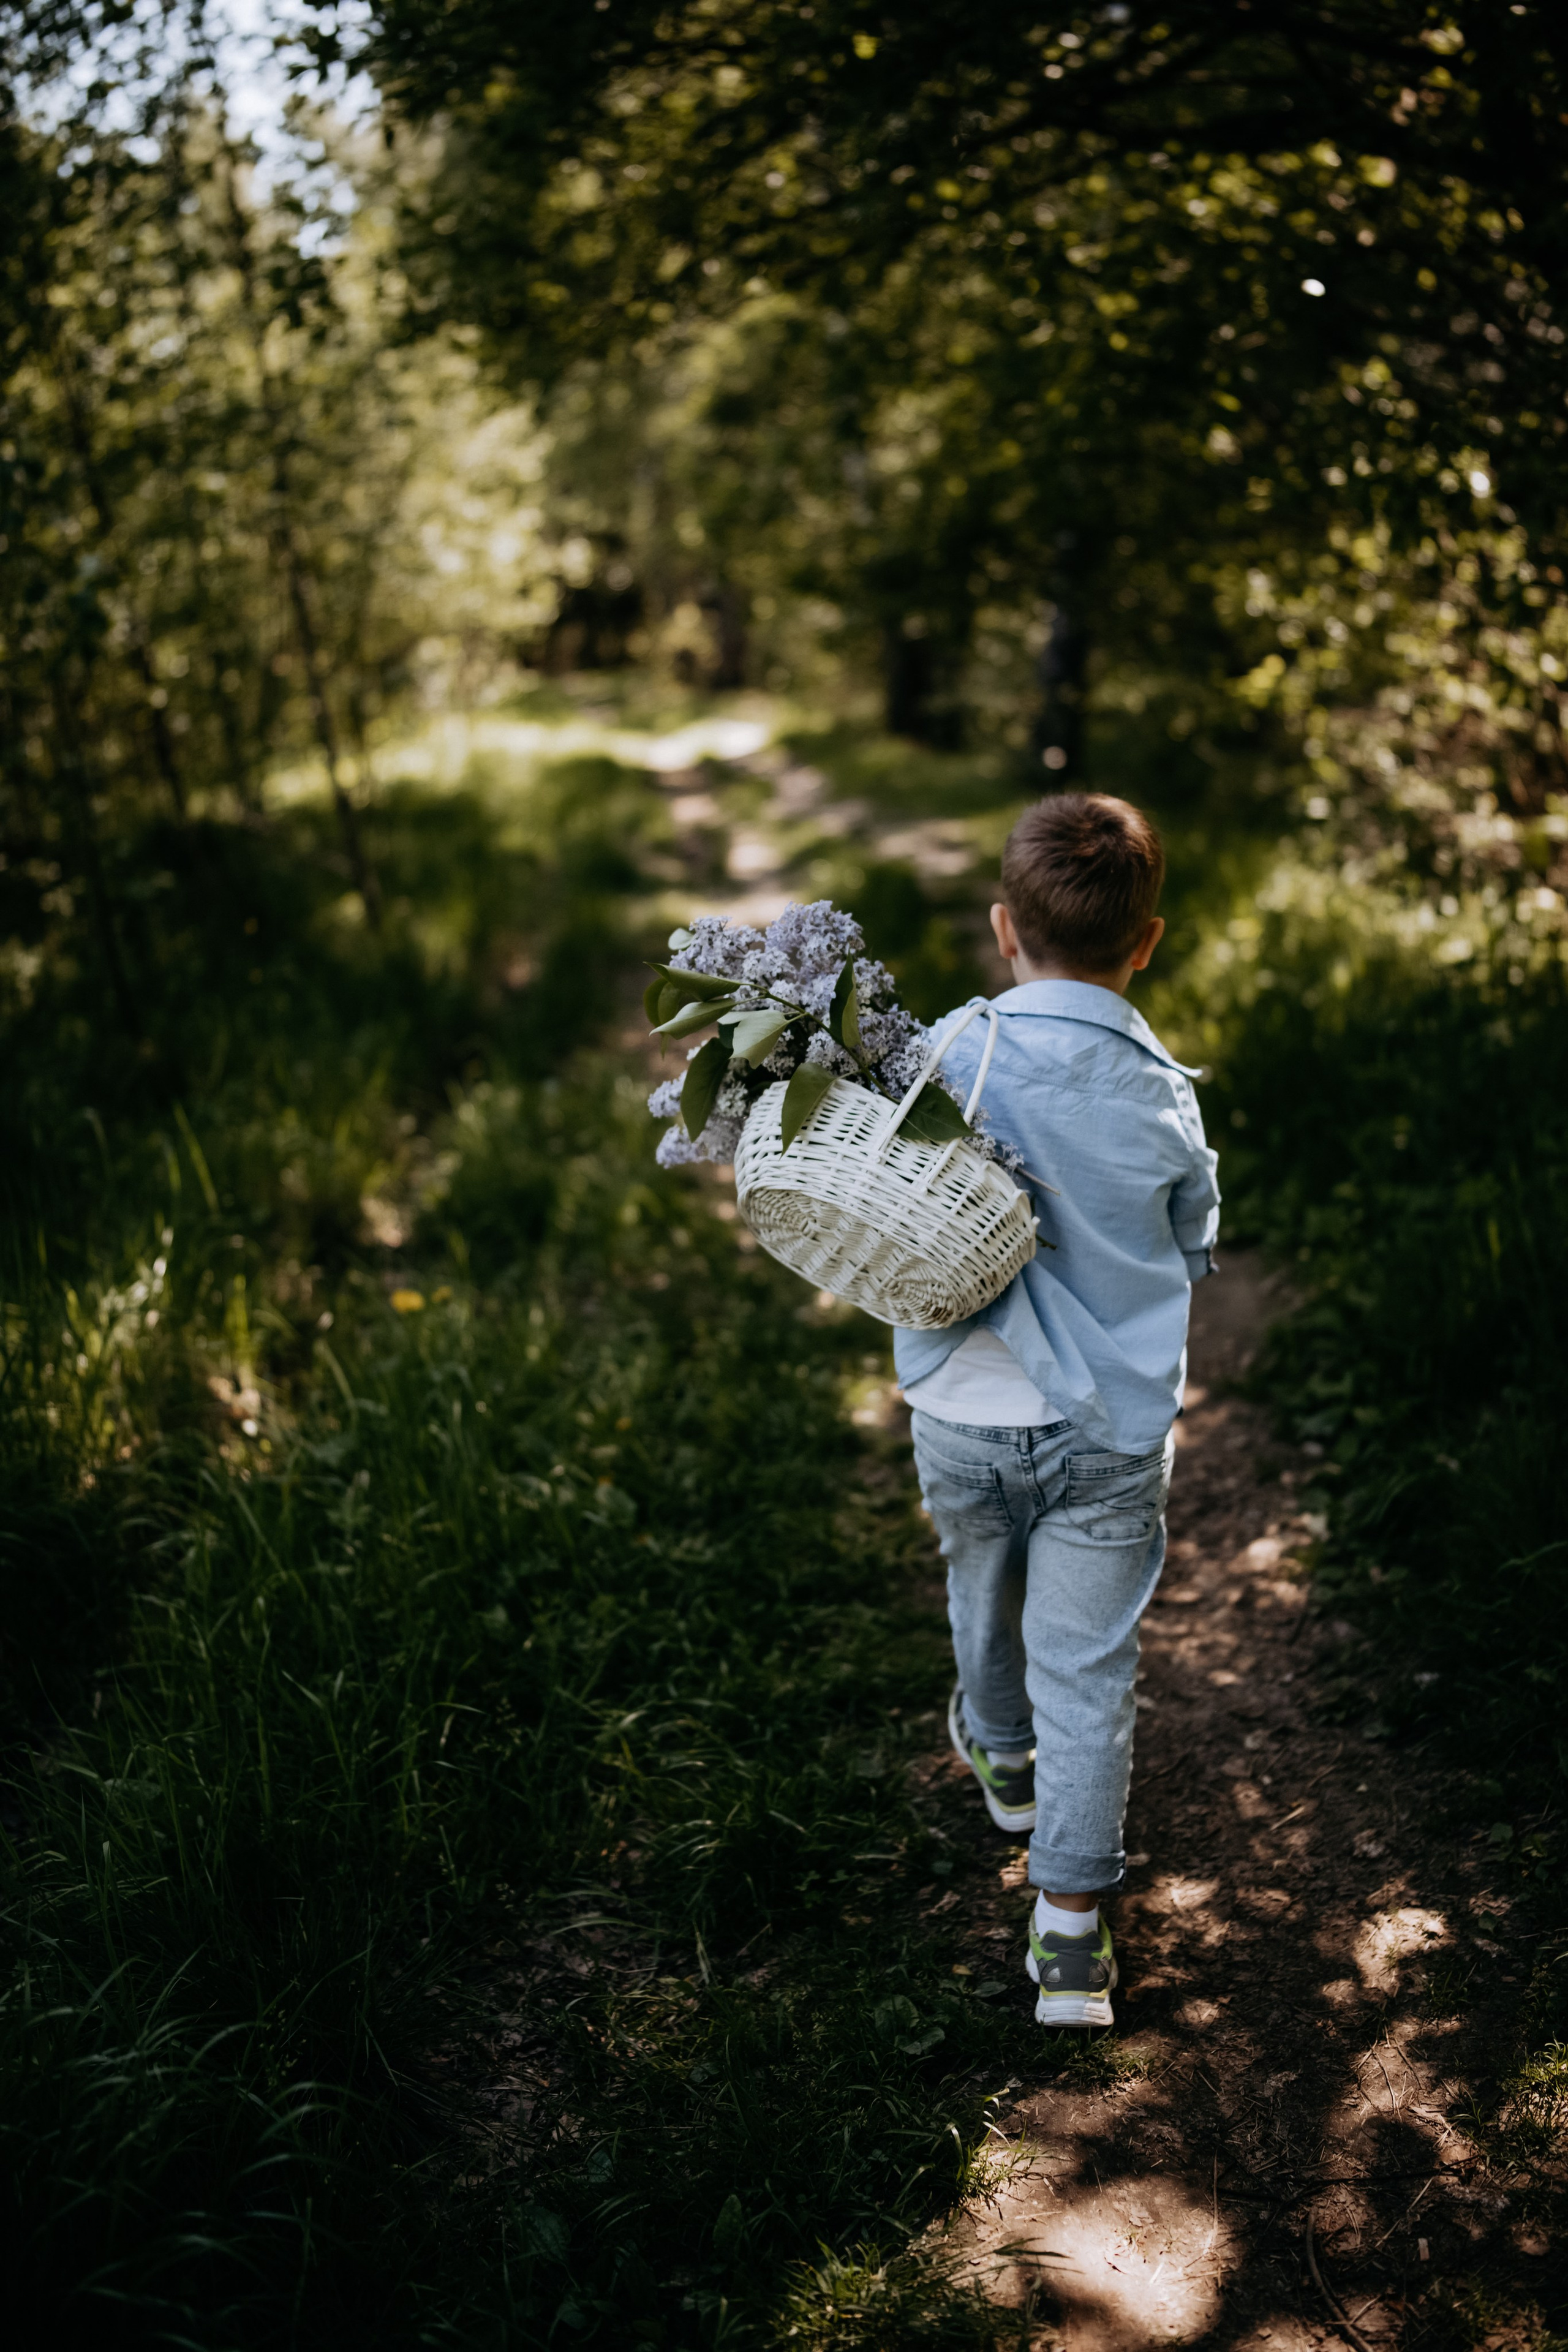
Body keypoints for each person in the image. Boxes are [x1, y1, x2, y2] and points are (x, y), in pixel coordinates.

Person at [897, 792, 1219, 2028]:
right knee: (1089, 1671)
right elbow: (1191, 1238)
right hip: (1109, 1433)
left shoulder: (948, 1053)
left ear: (1000, 929)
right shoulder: (1163, 1095)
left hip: (965, 1407)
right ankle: (1072, 1941)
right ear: (1144, 944)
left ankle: (997, 1748)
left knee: (978, 1582)